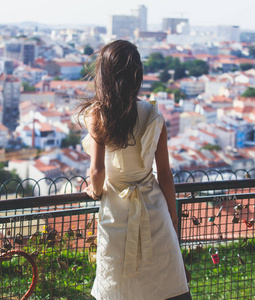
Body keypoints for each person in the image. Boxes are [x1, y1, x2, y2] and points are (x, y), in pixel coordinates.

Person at [78, 40, 191, 300]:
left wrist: (94, 191)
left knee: (117, 287)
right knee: (166, 285)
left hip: (117, 215)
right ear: (137, 76)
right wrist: (172, 220)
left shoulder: (98, 115)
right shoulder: (153, 114)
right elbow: (165, 175)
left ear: (103, 76)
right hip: (155, 212)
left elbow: (96, 172)